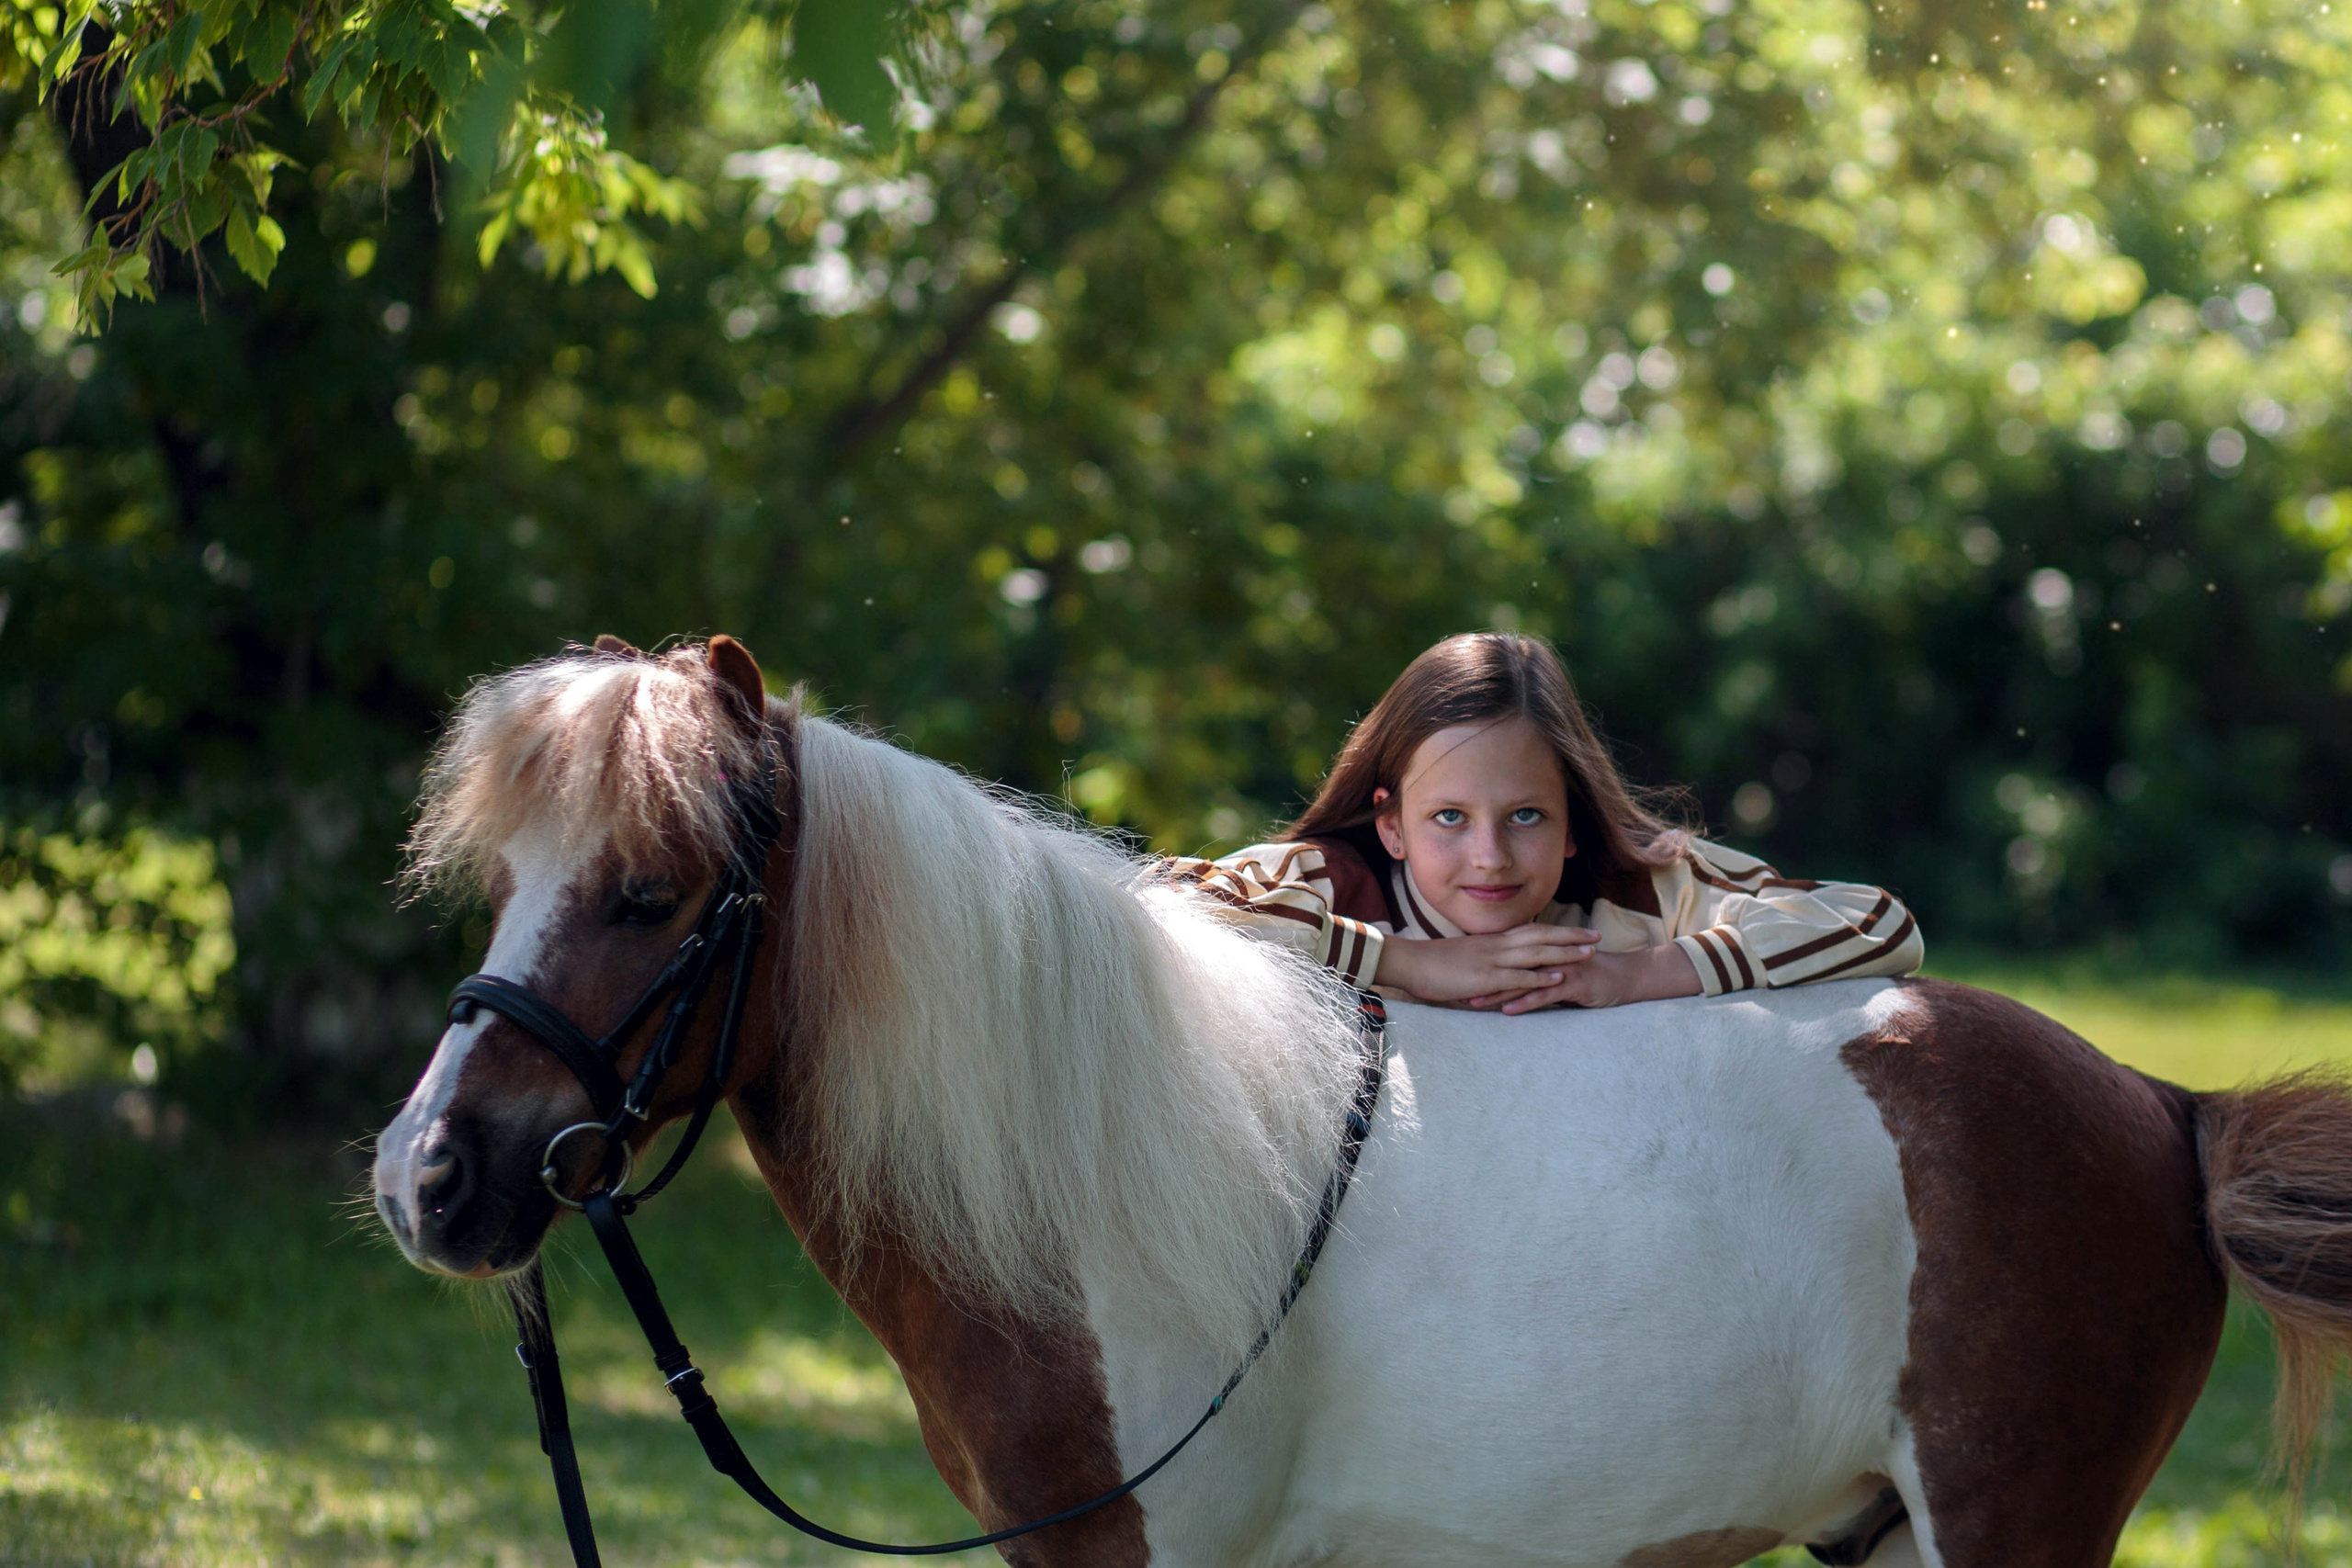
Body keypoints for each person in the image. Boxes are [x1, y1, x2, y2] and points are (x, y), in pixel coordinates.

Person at [1168, 632, 1922, 1012]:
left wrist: (1631, 974)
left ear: (1572, 821)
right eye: (1449, 818)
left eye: (1526, 814)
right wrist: (1408, 963)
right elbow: (1163, 901)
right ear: (1392, 825)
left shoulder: (1641, 891)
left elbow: (1881, 925)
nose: (1489, 855)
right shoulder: (1336, 880)